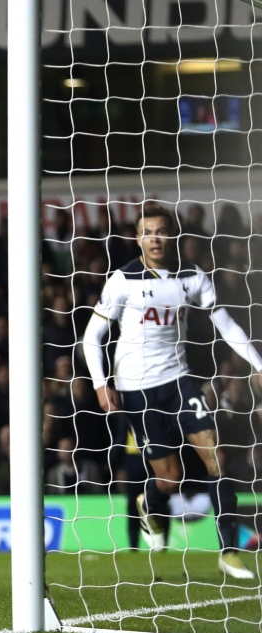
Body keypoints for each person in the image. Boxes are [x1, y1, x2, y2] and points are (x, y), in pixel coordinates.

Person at [82, 204, 261, 579]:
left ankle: (228, 550)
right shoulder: (123, 280)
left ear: (173, 235)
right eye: (149, 232)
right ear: (138, 238)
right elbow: (92, 336)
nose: (156, 239)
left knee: (217, 457)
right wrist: (102, 384)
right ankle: (150, 502)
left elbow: (226, 325)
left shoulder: (192, 276)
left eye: (162, 231)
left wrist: (258, 364)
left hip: (180, 379)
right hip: (137, 389)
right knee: (170, 479)